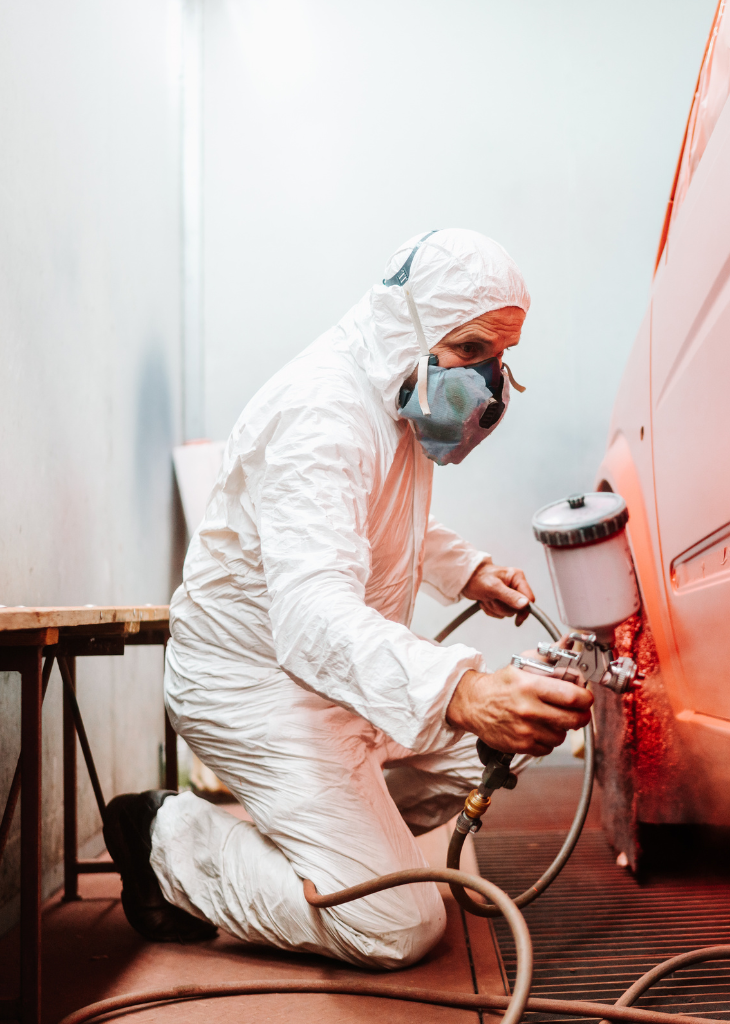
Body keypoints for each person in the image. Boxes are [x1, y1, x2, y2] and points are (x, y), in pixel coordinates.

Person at [102, 229, 593, 968]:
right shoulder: (322, 415)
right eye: (474, 352)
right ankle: (167, 839)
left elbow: (373, 519)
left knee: (491, 752)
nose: (491, 385)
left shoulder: (392, 391)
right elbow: (311, 617)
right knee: (401, 924)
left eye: (501, 360)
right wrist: (462, 688)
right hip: (254, 683)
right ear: (415, 326)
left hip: (324, 678)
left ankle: (329, 833)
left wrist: (465, 569)